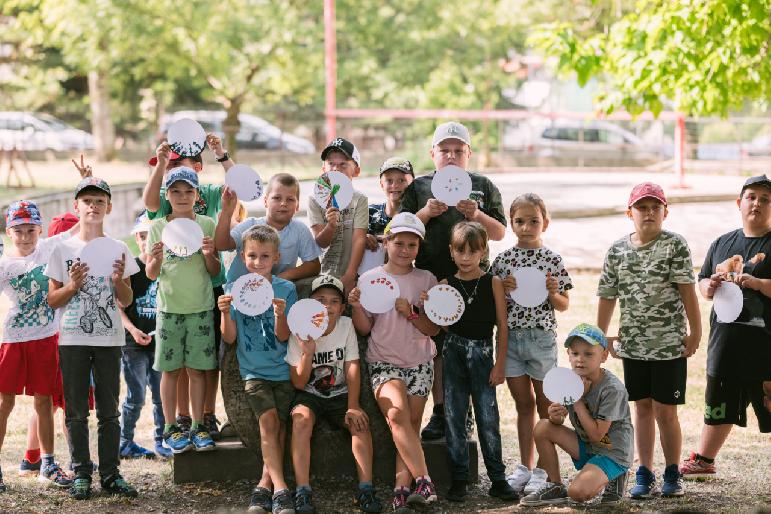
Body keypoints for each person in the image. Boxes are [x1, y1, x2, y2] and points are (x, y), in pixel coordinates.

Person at [400, 121, 506, 441]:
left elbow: (500, 231)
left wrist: (477, 215)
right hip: (431, 279)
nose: (451, 155)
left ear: (468, 154)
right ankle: (441, 411)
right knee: (437, 349)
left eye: (458, 150)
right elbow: (400, 229)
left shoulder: (483, 185)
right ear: (433, 153)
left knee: (473, 349)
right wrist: (427, 213)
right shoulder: (419, 187)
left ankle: (467, 413)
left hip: (475, 282)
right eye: (444, 150)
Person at [597, 182, 701, 498]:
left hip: (669, 344)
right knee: (642, 408)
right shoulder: (617, 250)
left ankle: (672, 473)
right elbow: (607, 296)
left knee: (666, 410)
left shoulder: (675, 245)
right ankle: (645, 472)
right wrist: (600, 337)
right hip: (634, 347)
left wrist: (695, 332)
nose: (649, 213)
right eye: (642, 207)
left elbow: (687, 291)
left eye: (655, 207)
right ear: (630, 213)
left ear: (665, 212)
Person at [46, 177, 140, 500]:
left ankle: (111, 474)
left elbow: (126, 300)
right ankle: (82, 472)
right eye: (87, 201)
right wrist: (72, 286)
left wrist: (118, 281)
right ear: (77, 207)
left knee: (109, 410)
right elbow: (52, 300)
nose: (93, 206)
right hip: (72, 338)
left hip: (109, 340)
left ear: (109, 207)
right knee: (75, 410)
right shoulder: (62, 248)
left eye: (100, 201)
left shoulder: (120, 249)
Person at [680, 175, 771, 478]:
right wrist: (707, 287)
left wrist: (758, 283)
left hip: (765, 346)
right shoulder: (722, 243)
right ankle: (705, 460)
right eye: (751, 197)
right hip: (726, 341)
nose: (757, 203)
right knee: (719, 402)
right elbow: (703, 279)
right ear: (739, 203)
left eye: (765, 198)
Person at [141, 135, 231, 439]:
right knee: (171, 369)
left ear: (197, 194)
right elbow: (152, 273)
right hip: (169, 308)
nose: (182, 196)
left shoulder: (206, 223)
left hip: (202, 306)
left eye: (188, 191)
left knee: (199, 368)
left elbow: (215, 268)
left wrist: (208, 255)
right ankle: (172, 425)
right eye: (175, 190)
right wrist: (152, 261)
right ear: (168, 194)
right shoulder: (157, 226)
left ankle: (199, 422)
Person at [349, 212, 440, 512]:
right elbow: (364, 328)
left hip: (419, 362)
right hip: (384, 360)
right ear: (386, 242)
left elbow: (433, 329)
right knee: (397, 416)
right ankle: (425, 481)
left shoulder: (426, 280)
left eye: (411, 245)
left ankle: (402, 488)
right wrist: (357, 306)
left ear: (419, 247)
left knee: (409, 426)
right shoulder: (370, 279)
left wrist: (413, 312)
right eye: (398, 242)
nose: (404, 250)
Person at [490, 194, 572, 495]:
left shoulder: (552, 260)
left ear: (545, 223)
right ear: (511, 224)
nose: (526, 227)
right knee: (522, 405)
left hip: (541, 339)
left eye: (533, 221)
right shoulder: (503, 261)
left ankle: (543, 469)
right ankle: (523, 468)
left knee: (544, 405)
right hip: (511, 340)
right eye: (520, 221)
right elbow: (494, 298)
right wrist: (504, 286)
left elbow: (563, 305)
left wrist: (552, 292)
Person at [286, 275, 382, 513]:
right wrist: (308, 353)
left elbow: (352, 367)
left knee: (360, 424)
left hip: (340, 393)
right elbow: (298, 383)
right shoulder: (299, 330)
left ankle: (366, 489)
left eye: (333, 301)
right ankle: (302, 491)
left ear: (342, 308)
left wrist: (353, 405)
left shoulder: (346, 326)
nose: (327, 307)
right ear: (310, 303)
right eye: (320, 300)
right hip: (310, 393)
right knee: (300, 421)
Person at [218, 225, 297, 514]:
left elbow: (285, 336)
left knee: (280, 427)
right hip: (254, 372)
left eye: (265, 256)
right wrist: (225, 313)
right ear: (243, 256)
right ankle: (282, 489)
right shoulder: (234, 290)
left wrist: (280, 315)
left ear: (276, 257)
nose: (258, 262)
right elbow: (229, 338)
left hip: (284, 370)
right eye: (252, 256)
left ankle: (264, 485)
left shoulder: (286, 289)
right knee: (268, 423)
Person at [0, 201, 78, 492]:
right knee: (4, 402)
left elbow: (82, 224)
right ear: (9, 232)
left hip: (46, 337)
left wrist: (85, 183)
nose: (24, 236)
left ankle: (47, 463)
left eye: (30, 229)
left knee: (44, 400)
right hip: (14, 339)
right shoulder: (5, 262)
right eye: (18, 230)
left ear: (40, 229)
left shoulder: (49, 248)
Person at [440, 221, 518, 503]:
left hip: (484, 353)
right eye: (460, 251)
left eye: (473, 251)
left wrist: (500, 364)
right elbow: (445, 325)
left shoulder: (493, 282)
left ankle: (497, 478)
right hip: (454, 352)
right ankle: (459, 477)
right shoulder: (445, 285)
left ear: (483, 251)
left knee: (488, 416)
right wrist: (431, 304)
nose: (466, 257)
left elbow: (502, 324)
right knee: (454, 415)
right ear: (451, 251)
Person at [520, 323, 633, 507]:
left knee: (577, 493)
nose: (580, 359)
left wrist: (577, 401)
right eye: (575, 353)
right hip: (587, 446)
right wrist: (555, 417)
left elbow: (597, 436)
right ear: (569, 355)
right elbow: (558, 419)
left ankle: (617, 475)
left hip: (612, 452)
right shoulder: (569, 380)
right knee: (543, 427)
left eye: (588, 354)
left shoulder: (612, 389)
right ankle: (555, 486)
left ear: (604, 356)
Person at [118, 212, 171, 459]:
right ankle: (125, 441)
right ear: (135, 238)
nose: (146, 240)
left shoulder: (168, 268)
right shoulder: (132, 269)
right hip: (133, 344)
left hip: (161, 342)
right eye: (141, 236)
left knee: (162, 396)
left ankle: (162, 440)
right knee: (136, 395)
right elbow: (118, 307)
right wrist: (132, 329)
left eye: (151, 235)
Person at [216, 172, 321, 286]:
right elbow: (222, 245)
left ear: (297, 206)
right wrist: (226, 212)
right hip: (240, 290)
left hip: (276, 290)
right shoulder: (250, 225)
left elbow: (314, 265)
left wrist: (282, 277)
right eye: (276, 198)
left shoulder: (299, 229)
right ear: (265, 201)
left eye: (290, 199)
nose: (283, 203)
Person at [309, 138, 368, 294]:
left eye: (343, 164)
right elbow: (321, 242)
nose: (336, 168)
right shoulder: (315, 200)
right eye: (331, 163)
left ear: (356, 171)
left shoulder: (359, 200)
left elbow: (359, 238)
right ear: (323, 168)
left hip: (352, 275)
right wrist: (331, 226)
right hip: (325, 275)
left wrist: (350, 275)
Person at [367, 157, 415, 245]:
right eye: (389, 181)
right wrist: (363, 238)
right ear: (381, 184)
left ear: (412, 183)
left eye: (401, 180)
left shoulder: (417, 217)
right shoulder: (369, 213)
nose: (395, 185)